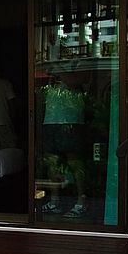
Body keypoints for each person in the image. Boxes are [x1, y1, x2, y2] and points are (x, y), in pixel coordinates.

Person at [40, 72, 88, 218]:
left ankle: (81, 201)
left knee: (75, 162)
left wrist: (59, 71)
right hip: (50, 121)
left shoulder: (76, 65)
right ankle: (54, 201)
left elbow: (81, 80)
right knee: (51, 161)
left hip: (71, 121)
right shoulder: (50, 70)